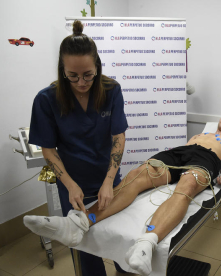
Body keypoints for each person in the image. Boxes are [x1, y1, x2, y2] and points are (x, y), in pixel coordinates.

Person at [24, 106, 221, 276]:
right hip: (180, 153)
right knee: (136, 175)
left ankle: (146, 243)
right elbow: (185, 151)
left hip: (205, 160)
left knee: (186, 186)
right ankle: (81, 222)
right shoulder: (199, 135)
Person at [27, 20, 128, 275]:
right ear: (62, 69)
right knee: (84, 246)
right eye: (72, 75)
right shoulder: (46, 100)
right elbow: (49, 150)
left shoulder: (111, 90)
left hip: (108, 178)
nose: (81, 82)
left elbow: (118, 137)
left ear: (97, 67)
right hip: (73, 183)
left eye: (88, 75)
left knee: (120, 238)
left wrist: (108, 181)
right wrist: (70, 185)